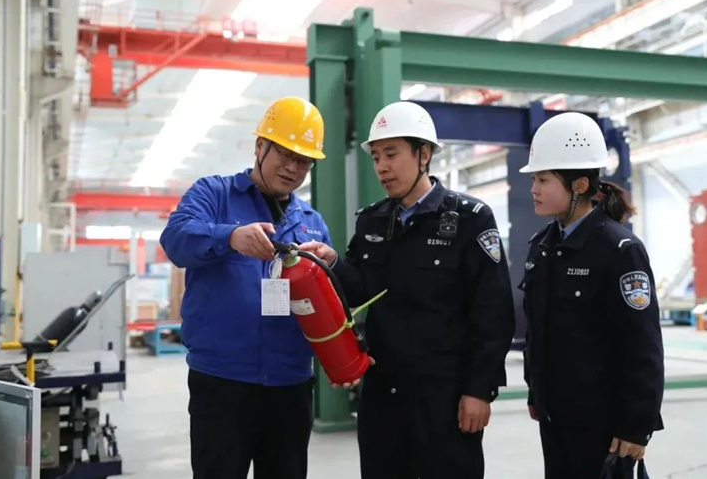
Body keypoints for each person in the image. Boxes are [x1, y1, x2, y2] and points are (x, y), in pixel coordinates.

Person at [300, 101, 515, 479]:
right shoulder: (372, 221)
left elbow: (493, 312)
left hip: (445, 399)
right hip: (383, 398)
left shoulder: (470, 219)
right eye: (376, 157)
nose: (381, 166)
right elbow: (358, 291)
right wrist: (332, 263)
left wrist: (480, 390)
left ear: (424, 154)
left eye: (391, 154)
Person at [160, 97, 332, 479]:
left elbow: (325, 306)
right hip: (222, 384)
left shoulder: (312, 222)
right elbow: (175, 239)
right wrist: (230, 237)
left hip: (290, 386)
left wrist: (329, 264)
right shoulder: (213, 195)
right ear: (259, 146)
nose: (292, 167)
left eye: (303, 160)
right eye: (284, 153)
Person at [518, 112, 665, 479]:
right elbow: (539, 330)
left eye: (543, 179)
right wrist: (537, 392)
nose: (534, 189)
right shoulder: (542, 247)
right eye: (534, 179)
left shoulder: (619, 250)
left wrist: (637, 425)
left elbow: (642, 346)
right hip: (555, 417)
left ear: (579, 184)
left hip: (605, 424)